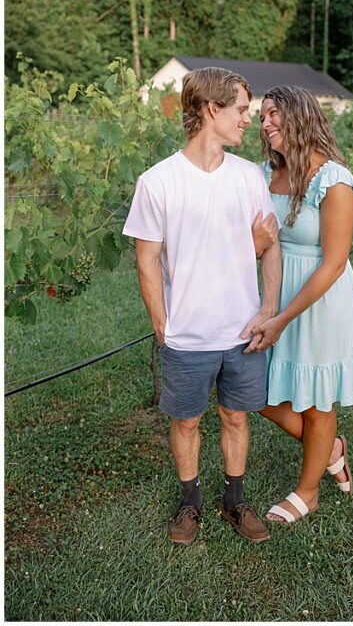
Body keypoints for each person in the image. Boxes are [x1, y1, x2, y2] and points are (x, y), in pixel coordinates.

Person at [123, 66, 282, 546]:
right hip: (187, 336)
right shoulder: (158, 182)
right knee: (187, 420)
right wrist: (162, 325)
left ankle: (235, 500)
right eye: (240, 111)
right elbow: (147, 261)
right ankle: (189, 502)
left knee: (236, 416)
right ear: (211, 110)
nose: (247, 121)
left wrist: (268, 308)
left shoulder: (249, 176)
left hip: (241, 331)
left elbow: (270, 243)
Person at [247, 85, 353, 524]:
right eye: (261, 117)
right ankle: (330, 448)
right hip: (274, 292)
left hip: (320, 300)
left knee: (317, 402)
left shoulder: (333, 179)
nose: (265, 123)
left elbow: (333, 264)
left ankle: (308, 491)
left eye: (274, 114)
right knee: (249, 386)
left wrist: (281, 320)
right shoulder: (262, 174)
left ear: (299, 116)